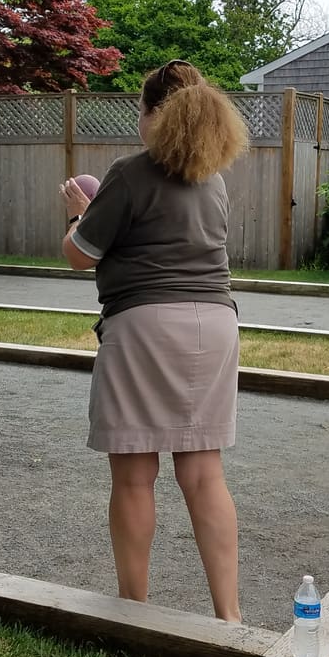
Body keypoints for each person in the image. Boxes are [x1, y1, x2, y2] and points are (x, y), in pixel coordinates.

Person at [59, 59, 249, 622]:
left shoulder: (128, 172)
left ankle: (135, 612)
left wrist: (77, 216)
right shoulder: (213, 181)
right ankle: (229, 617)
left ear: (151, 116)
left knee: (136, 475)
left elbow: (80, 256)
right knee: (204, 472)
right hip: (216, 323)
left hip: (143, 323)